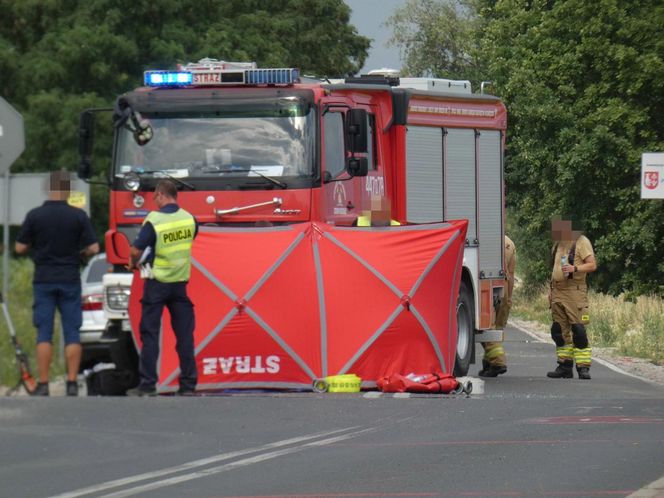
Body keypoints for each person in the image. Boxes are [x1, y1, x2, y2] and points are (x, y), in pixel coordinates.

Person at [15, 170, 99, 396]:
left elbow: (19, 247)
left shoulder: (35, 216)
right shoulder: (78, 216)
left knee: (44, 332)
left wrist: (38, 246)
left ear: (49, 188)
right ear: (68, 190)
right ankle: (71, 383)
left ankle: (44, 384)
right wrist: (79, 253)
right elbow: (94, 248)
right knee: (72, 331)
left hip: (43, 279)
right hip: (70, 279)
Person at [126, 180, 198, 396]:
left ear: (160, 195)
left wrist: (132, 264)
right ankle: (188, 386)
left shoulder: (154, 220)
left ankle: (148, 385)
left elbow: (136, 250)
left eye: (155, 197)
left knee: (150, 334)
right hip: (180, 286)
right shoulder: (189, 219)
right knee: (184, 336)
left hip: (157, 284)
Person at [547, 218, 597, 380]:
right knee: (558, 331)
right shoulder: (558, 244)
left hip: (575, 292)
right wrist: (550, 290)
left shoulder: (581, 242)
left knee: (579, 331)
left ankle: (583, 368)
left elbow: (592, 265)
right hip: (558, 292)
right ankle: (564, 366)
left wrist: (575, 268)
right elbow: (554, 268)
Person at [479, 235, 516, 378]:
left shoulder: (487, 239)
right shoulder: (509, 242)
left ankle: (497, 362)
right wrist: (508, 298)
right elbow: (511, 274)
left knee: (486, 325)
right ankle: (488, 363)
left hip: (489, 285)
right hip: (505, 286)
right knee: (496, 326)